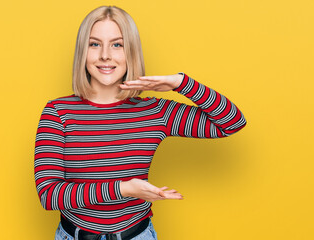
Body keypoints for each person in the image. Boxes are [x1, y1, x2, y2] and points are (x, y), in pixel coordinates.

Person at [34, 5, 247, 240]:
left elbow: (231, 122)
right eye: (94, 44)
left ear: (131, 52)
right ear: (83, 52)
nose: (105, 55)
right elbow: (49, 194)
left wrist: (180, 83)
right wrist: (123, 189)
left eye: (117, 44)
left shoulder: (153, 111)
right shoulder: (58, 113)